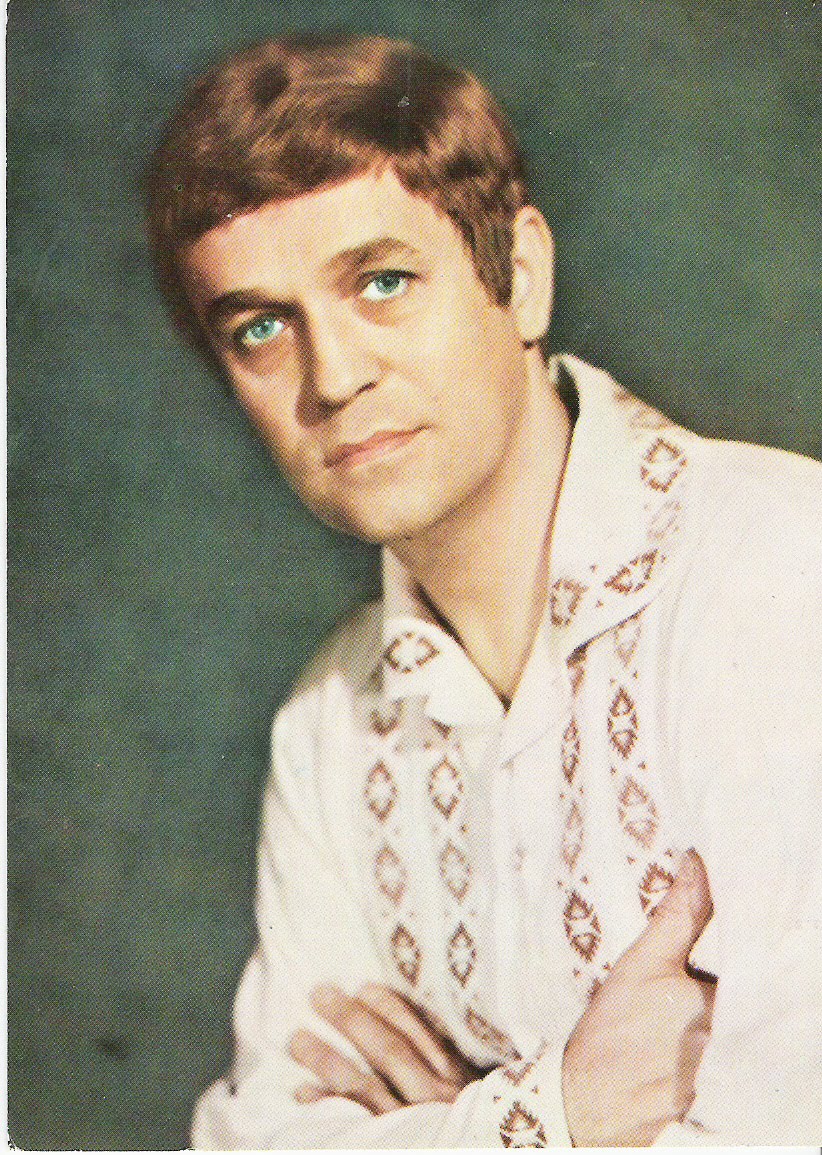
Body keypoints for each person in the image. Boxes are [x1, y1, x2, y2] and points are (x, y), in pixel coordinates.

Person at [144, 35, 822, 1147]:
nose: (333, 377)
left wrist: (434, 1126)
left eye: (383, 283)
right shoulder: (329, 723)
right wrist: (545, 1113)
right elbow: (247, 1140)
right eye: (261, 327)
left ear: (524, 275)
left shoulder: (779, 571)